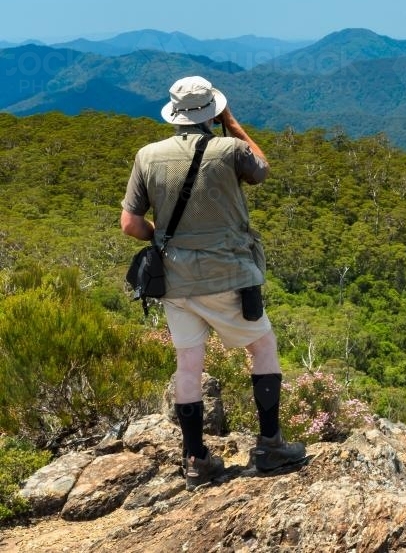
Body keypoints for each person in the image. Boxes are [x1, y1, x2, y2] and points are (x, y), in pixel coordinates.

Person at [120, 75, 305, 489]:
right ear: (211, 111)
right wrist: (233, 122)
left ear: (174, 112)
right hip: (228, 275)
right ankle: (270, 445)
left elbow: (130, 224)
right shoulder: (230, 150)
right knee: (262, 346)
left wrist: (165, 238)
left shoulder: (147, 156)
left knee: (188, 363)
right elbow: (262, 171)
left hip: (174, 280)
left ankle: (196, 459)